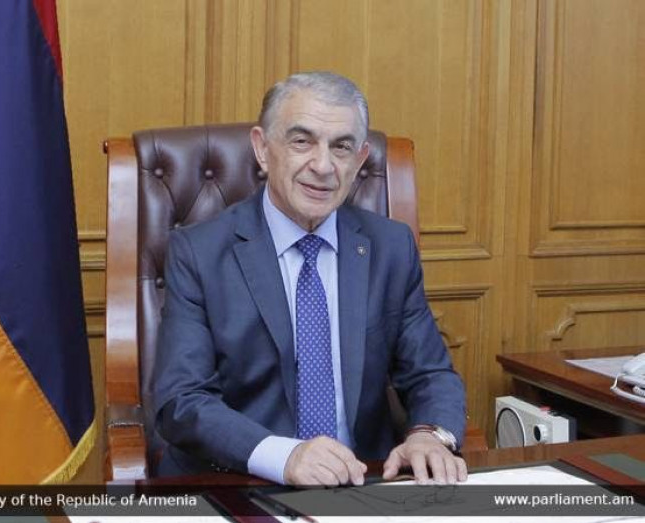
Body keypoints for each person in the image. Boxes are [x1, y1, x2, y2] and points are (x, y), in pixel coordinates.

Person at [152, 71, 467, 486]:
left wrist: (430, 434)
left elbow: (430, 373)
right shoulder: (199, 252)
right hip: (242, 482)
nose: (323, 166)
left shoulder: (390, 247)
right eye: (302, 141)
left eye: (341, 147)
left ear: (360, 160)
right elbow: (182, 399)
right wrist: (284, 456)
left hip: (364, 482)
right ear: (262, 149)